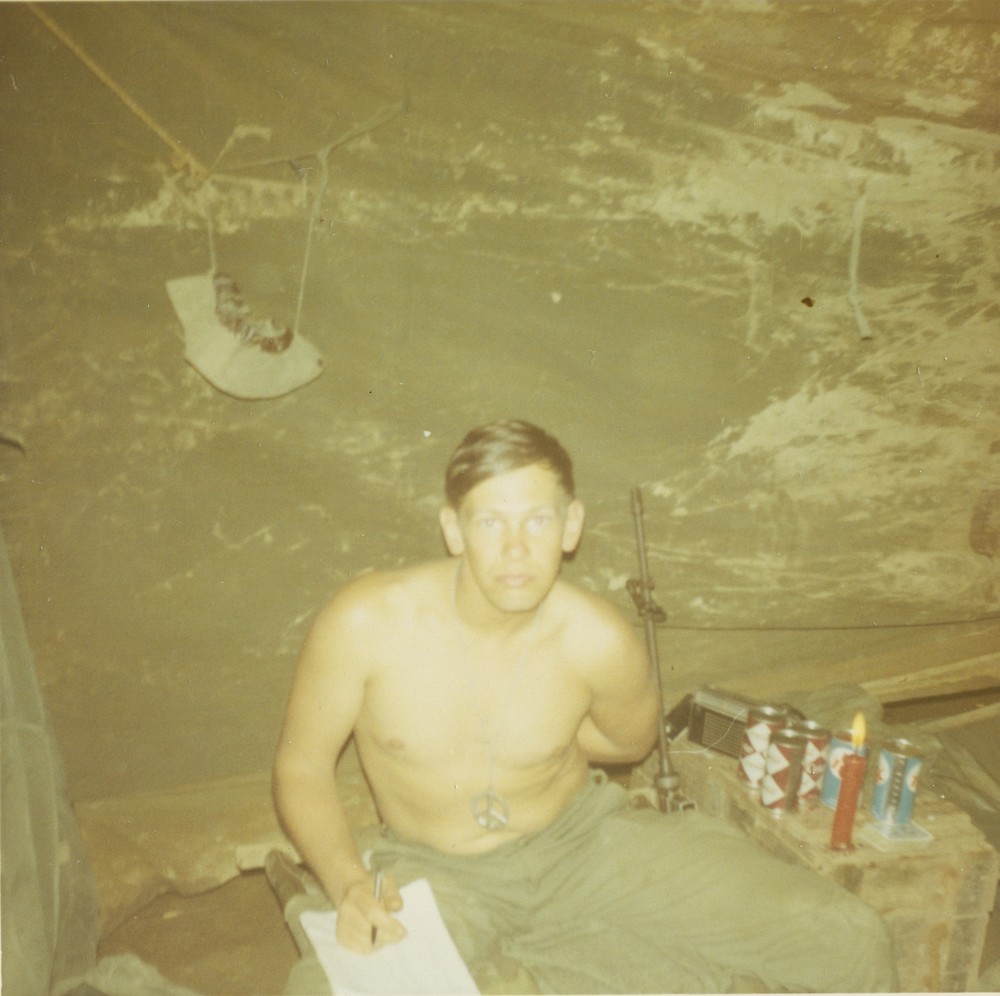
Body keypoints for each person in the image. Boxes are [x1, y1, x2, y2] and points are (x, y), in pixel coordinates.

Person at [272, 419, 895, 994]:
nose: (516, 549)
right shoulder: (367, 622)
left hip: (584, 846)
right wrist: (349, 885)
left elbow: (630, 743)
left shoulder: (596, 639)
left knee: (843, 935)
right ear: (453, 529)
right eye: (490, 522)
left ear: (571, 527)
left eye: (537, 520)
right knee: (330, 989)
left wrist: (544, 742)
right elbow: (301, 769)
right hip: (434, 870)